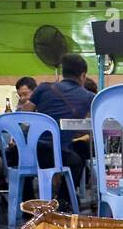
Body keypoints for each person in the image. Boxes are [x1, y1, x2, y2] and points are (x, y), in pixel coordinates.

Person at [28, 53, 95, 201]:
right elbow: (98, 121)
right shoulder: (87, 97)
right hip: (56, 155)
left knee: (19, 164)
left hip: (30, 151)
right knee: (77, 161)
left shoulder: (43, 88)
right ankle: (63, 201)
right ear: (83, 75)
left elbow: (23, 113)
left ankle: (26, 202)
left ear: (63, 73)